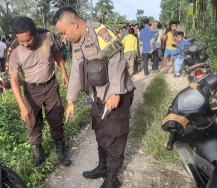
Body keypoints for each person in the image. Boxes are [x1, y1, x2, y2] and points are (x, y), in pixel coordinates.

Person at [53, 7, 135, 188]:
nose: (64, 37)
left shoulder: (101, 32)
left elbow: (117, 61)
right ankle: (103, 166)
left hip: (115, 95)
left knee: (115, 135)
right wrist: (70, 101)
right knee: (100, 132)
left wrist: (116, 92)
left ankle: (113, 178)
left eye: (64, 32)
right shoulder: (76, 42)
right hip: (96, 96)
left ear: (73, 24)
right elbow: (75, 70)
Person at [9, 16, 71, 167]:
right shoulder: (15, 49)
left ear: (35, 33)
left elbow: (56, 53)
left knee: (56, 117)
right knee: (33, 122)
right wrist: (22, 106)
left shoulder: (47, 36)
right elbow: (14, 80)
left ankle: (61, 152)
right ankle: (38, 154)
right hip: (31, 89)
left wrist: (63, 72)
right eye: (21, 41)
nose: (25, 44)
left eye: (28, 40)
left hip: (50, 85)